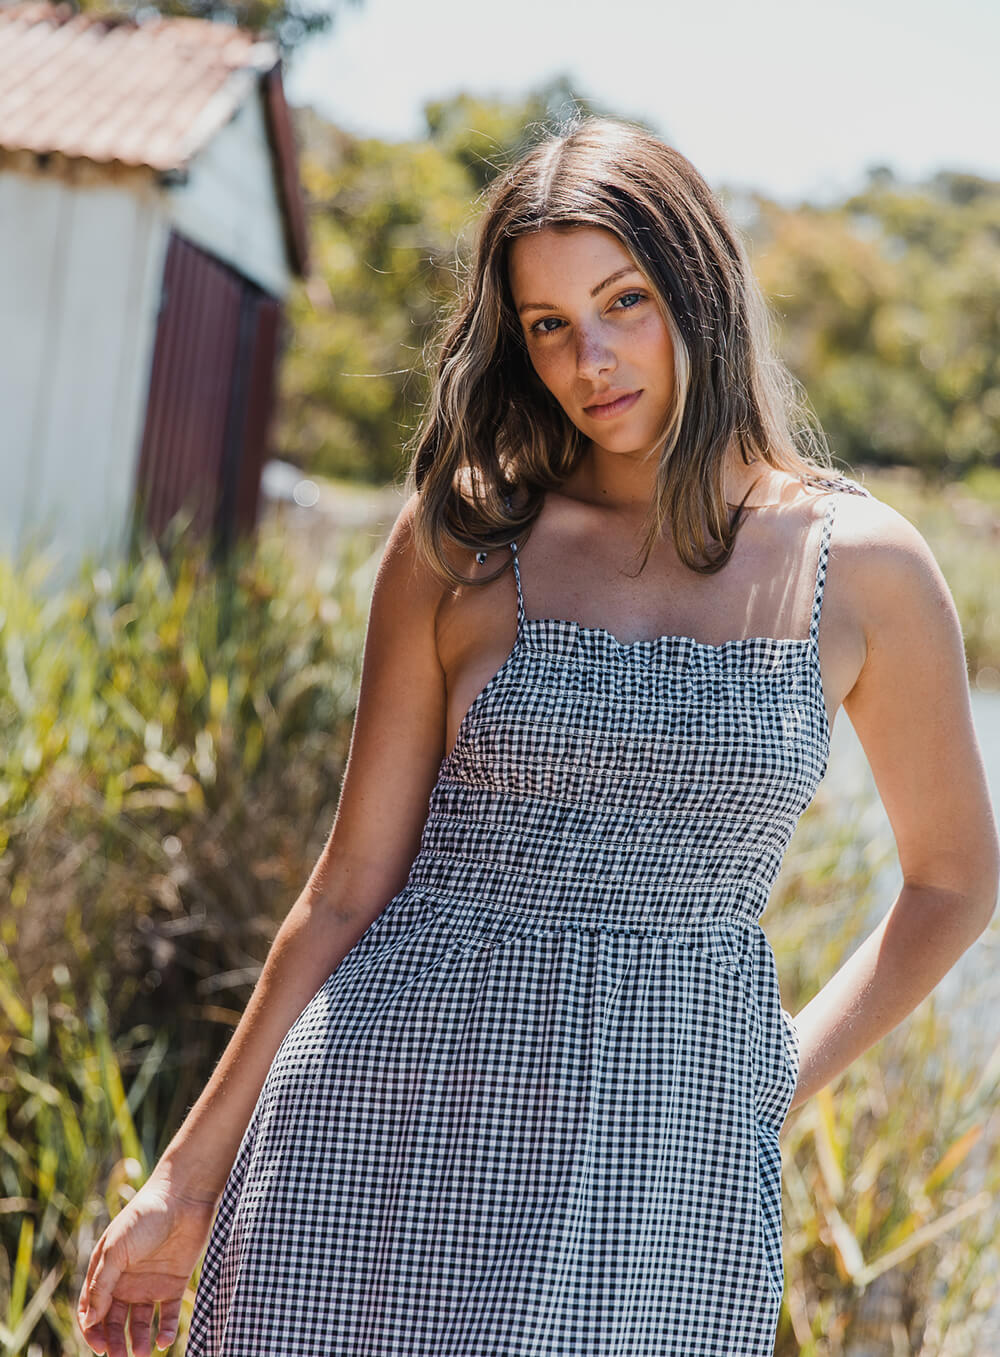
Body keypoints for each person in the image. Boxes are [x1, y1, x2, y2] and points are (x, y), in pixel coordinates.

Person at [78, 117, 998, 1357]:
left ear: (702, 291)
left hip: (666, 1161)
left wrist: (768, 1076)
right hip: (381, 1125)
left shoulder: (865, 565)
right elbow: (345, 888)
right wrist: (181, 1180)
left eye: (624, 302)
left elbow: (951, 881)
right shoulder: (461, 542)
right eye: (548, 323)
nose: (590, 359)